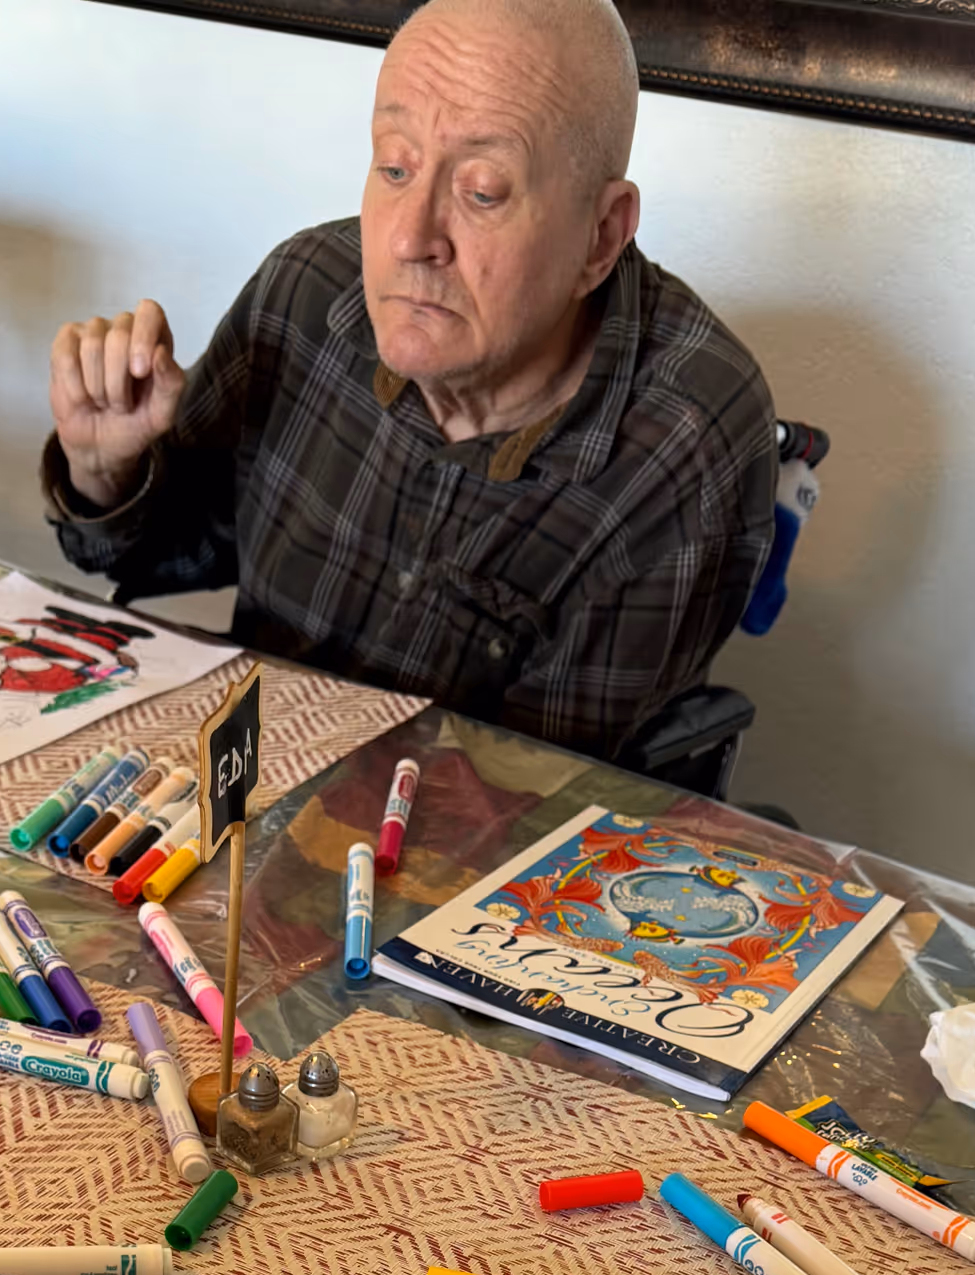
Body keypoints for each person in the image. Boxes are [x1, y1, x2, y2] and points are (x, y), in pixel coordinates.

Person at [41, 0, 777, 761]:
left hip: (451, 848)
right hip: (240, 786)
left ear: (600, 237)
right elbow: (160, 560)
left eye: (482, 191)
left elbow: (537, 800)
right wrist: (108, 471)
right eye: (394, 167)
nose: (408, 238)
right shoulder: (309, 291)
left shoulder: (684, 439)